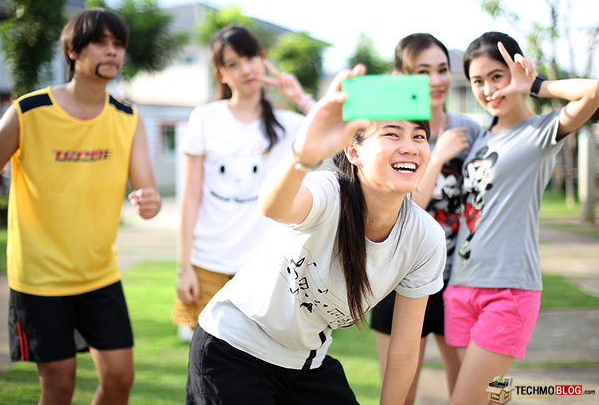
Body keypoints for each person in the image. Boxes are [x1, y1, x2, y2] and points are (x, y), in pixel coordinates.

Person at [185, 64, 447, 405]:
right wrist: (302, 156)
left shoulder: (425, 239)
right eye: (392, 134)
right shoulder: (329, 192)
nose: (410, 147)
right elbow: (274, 207)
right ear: (354, 152)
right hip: (231, 349)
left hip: (305, 364)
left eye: (419, 136)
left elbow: (404, 351)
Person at [0, 8, 161, 404]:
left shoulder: (128, 118)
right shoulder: (28, 111)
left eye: (118, 44)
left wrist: (149, 203)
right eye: (101, 42)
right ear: (73, 51)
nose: (112, 51)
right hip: (39, 277)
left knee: (120, 378)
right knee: (59, 384)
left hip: (100, 274)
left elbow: (148, 196)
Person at [445, 31, 599, 405]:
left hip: (508, 289)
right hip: (461, 287)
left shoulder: (539, 131)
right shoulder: (478, 138)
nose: (488, 90)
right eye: (478, 81)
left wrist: (537, 85)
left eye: (497, 76)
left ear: (517, 70)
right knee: (488, 400)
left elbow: (592, 92)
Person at [173, 24, 313, 336]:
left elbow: (344, 142)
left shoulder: (290, 125)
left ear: (263, 59)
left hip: (265, 267)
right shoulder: (205, 118)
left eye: (250, 58)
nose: (245, 69)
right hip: (207, 263)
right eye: (233, 64)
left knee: (258, 358)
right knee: (204, 357)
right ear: (221, 74)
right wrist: (184, 268)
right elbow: (190, 197)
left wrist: (300, 98)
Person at [369, 33, 481, 404]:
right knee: (400, 394)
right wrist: (438, 155)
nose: (436, 80)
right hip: (399, 278)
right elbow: (402, 210)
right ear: (401, 78)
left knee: (470, 393)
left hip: (458, 281)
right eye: (422, 71)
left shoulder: (470, 131)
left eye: (442, 69)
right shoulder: (388, 134)